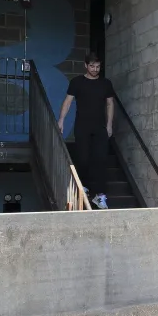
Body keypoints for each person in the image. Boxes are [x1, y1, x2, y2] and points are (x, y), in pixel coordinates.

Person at [58, 53, 115, 210]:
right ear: (86, 65)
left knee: (101, 160)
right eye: (92, 66)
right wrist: (61, 120)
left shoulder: (105, 83)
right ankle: (84, 187)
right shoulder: (77, 82)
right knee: (83, 158)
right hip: (82, 126)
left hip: (100, 127)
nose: (95, 69)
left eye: (98, 67)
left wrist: (109, 125)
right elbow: (68, 102)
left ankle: (100, 195)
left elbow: (110, 104)